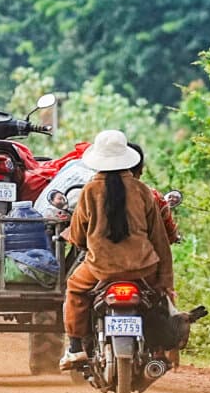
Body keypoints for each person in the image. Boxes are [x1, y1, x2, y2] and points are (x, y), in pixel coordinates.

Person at [60, 130, 174, 369]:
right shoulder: (142, 191)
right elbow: (159, 239)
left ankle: (75, 348)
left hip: (101, 269)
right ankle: (160, 349)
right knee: (158, 298)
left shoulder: (90, 191)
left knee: (74, 288)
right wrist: (164, 280)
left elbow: (78, 235)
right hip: (143, 268)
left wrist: (85, 243)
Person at [127, 142, 181, 244]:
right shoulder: (153, 197)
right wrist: (175, 237)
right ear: (141, 169)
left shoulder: (93, 193)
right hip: (141, 257)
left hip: (99, 258)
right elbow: (170, 233)